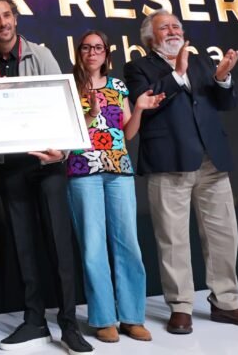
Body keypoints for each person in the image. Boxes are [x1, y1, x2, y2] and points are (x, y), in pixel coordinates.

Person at [123, 10, 238, 334]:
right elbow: (146, 102)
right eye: (165, 27)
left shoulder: (201, 62)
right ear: (150, 37)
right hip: (168, 162)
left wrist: (222, 79)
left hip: (211, 161)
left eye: (176, 26)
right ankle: (180, 307)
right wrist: (177, 74)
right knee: (173, 239)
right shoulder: (138, 68)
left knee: (224, 235)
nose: (173, 31)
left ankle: (226, 303)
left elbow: (224, 103)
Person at [0, 0, 93, 355]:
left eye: (7, 15)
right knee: (23, 247)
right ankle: (34, 321)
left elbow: (65, 104)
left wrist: (64, 150)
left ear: (16, 18)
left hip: (47, 164)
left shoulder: (40, 55)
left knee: (59, 245)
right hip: (10, 166)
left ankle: (69, 324)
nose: (2, 23)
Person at [66, 30, 164, 343]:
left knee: (128, 244)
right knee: (93, 246)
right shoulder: (68, 87)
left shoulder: (118, 86)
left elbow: (127, 132)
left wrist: (139, 108)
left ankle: (133, 317)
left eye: (98, 48)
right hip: (83, 169)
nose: (92, 52)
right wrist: (92, 114)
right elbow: (66, 132)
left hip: (119, 168)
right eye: (86, 47)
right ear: (79, 53)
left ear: (106, 54)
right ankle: (103, 318)